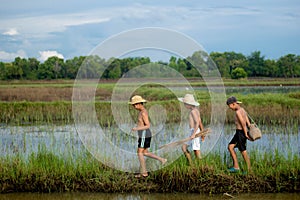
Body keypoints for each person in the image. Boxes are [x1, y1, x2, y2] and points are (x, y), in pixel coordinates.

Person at [129, 95, 167, 178]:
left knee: (139, 153)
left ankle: (144, 173)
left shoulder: (143, 112)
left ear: (138, 104)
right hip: (143, 134)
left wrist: (136, 128)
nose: (133, 106)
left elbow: (148, 125)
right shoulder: (141, 112)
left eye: (134, 105)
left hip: (144, 133)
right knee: (145, 152)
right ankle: (162, 160)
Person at [226, 96, 251, 173]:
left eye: (230, 106)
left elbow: (243, 123)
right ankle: (236, 167)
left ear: (233, 104)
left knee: (243, 151)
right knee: (230, 147)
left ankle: (249, 170)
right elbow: (247, 120)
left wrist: (246, 133)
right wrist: (249, 127)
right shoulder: (242, 109)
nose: (230, 108)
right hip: (238, 133)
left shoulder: (237, 112)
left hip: (241, 133)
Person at [178, 94, 205, 165]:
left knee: (196, 150)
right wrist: (202, 133)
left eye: (185, 104)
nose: (184, 105)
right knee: (184, 147)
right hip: (193, 132)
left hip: (194, 132)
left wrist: (194, 134)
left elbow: (197, 123)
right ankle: (191, 163)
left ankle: (201, 166)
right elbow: (200, 123)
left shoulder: (193, 112)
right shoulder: (195, 110)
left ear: (189, 104)